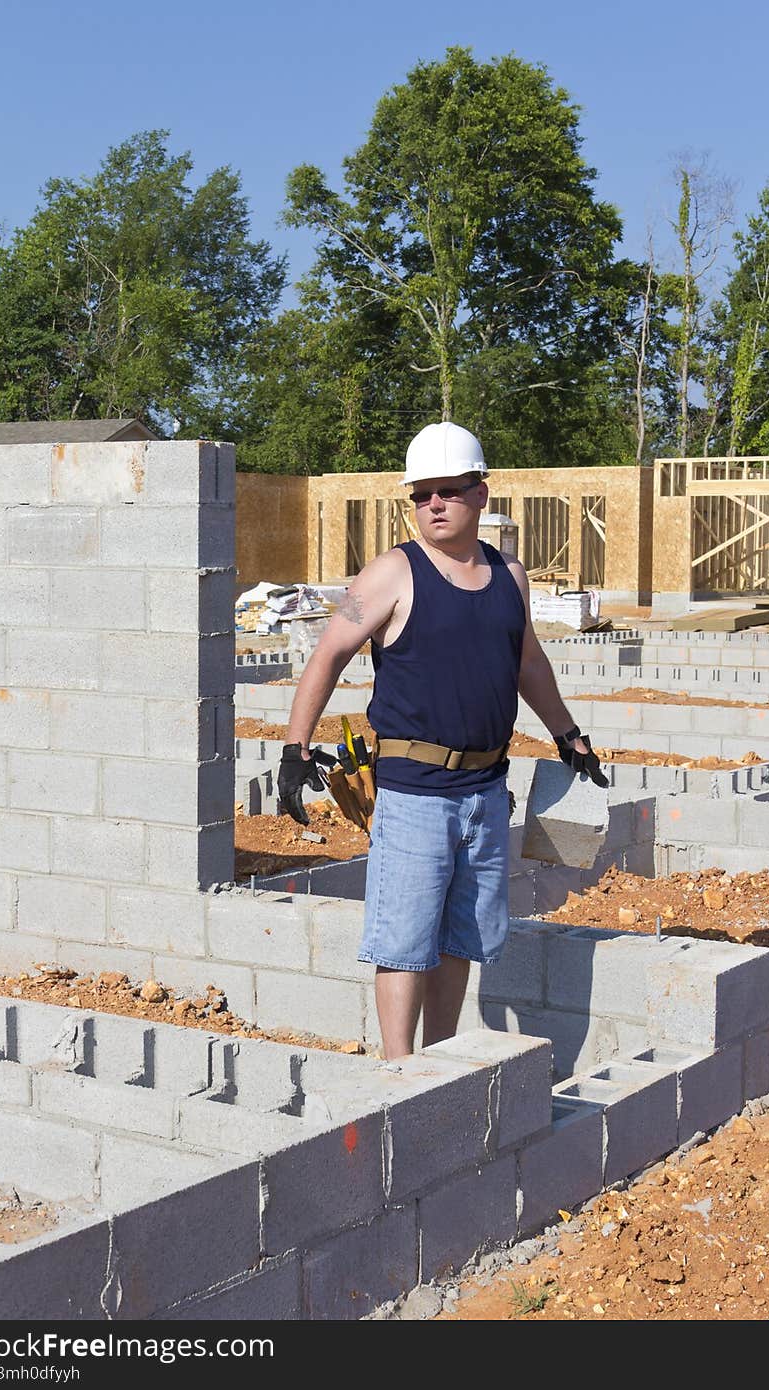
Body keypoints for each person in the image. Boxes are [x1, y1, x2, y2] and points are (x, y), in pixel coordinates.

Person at [277, 422, 607, 1060]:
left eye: (449, 491)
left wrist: (567, 735)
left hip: (486, 790)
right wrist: (295, 748)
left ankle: (439, 1057)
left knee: (461, 937)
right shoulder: (389, 575)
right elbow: (328, 654)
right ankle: (398, 1073)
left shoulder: (511, 576)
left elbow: (527, 660)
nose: (434, 503)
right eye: (422, 493)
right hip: (414, 793)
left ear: (481, 494)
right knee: (403, 942)